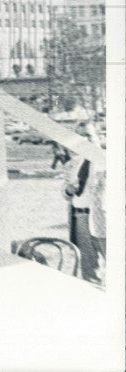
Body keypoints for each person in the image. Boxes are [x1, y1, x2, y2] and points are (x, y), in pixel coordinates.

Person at [63, 122, 104, 284]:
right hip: (80, 217)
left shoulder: (108, 159)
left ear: (97, 136)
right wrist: (68, 190)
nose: (84, 139)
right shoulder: (73, 163)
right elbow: (64, 193)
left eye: (88, 135)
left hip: (104, 217)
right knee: (87, 265)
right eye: (80, 136)